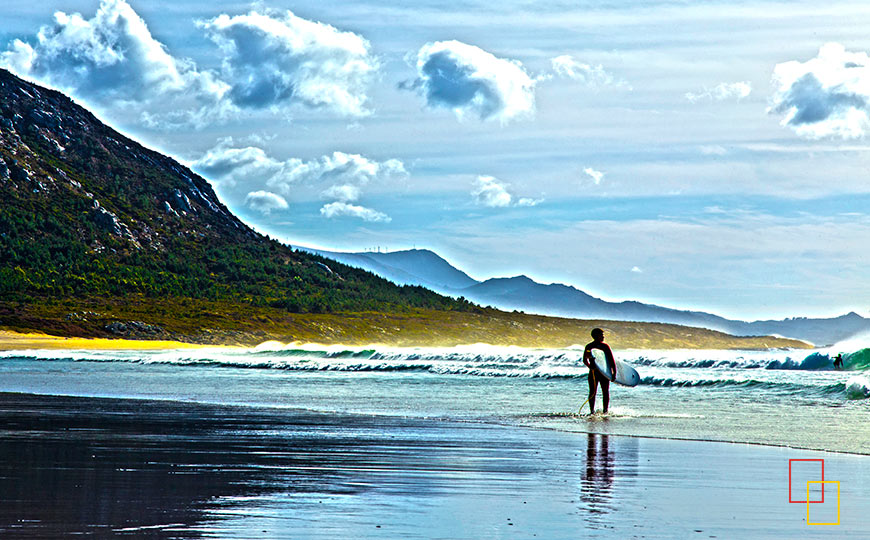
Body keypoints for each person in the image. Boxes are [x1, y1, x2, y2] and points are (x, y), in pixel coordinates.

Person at [583, 328, 617, 414]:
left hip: (603, 373)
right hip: (594, 373)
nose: (603, 337)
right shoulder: (589, 347)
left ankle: (605, 411)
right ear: (596, 336)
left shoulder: (605, 347)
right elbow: (585, 359)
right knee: (592, 392)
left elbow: (611, 360)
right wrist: (590, 366)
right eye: (601, 335)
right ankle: (592, 411)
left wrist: (614, 373)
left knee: (605, 392)